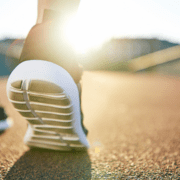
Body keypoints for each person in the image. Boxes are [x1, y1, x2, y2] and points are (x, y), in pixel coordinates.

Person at [6, 0, 89, 151]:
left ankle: (41, 45)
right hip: (58, 51)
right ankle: (51, 47)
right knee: (54, 21)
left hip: (35, 49)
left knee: (45, 17)